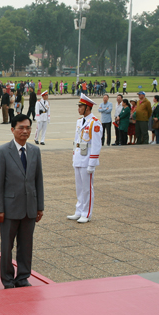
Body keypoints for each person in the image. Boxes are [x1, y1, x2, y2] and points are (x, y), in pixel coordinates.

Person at [0, 114, 44, 288]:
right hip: (9, 208)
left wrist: (40, 206)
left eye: (28, 127)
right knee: (7, 246)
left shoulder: (35, 151)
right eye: (21, 127)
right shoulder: (2, 151)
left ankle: (23, 277)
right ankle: (7, 279)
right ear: (12, 129)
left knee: (26, 245)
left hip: (29, 207)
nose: (25, 131)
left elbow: (38, 181)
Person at [68, 94, 102, 224]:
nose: (79, 108)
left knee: (87, 188)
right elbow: (77, 141)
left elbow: (96, 145)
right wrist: (74, 157)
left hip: (87, 158)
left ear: (87, 107)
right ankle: (79, 210)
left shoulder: (94, 123)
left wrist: (92, 164)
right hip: (78, 157)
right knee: (79, 187)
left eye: (81, 106)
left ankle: (86, 213)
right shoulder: (79, 121)